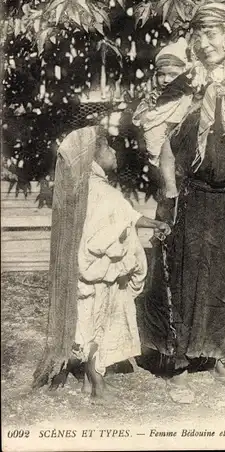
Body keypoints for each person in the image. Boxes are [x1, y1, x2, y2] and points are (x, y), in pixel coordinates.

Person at [136, 2, 225, 403]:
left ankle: (219, 358)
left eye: (213, 34)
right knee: (181, 275)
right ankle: (176, 368)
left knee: (223, 280)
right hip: (188, 196)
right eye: (199, 35)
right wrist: (171, 196)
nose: (206, 43)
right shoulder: (185, 86)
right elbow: (165, 147)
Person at [32, 125, 170, 402]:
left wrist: (150, 222)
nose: (114, 152)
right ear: (94, 158)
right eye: (108, 148)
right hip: (98, 271)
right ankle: (97, 384)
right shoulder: (98, 192)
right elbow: (100, 234)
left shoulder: (93, 188)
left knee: (93, 322)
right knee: (97, 325)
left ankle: (88, 381)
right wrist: (124, 243)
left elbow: (126, 215)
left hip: (94, 272)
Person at [132, 37, 192, 169]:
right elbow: (141, 121)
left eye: (173, 74)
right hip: (155, 162)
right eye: (161, 75)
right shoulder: (151, 99)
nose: (166, 80)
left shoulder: (189, 99)